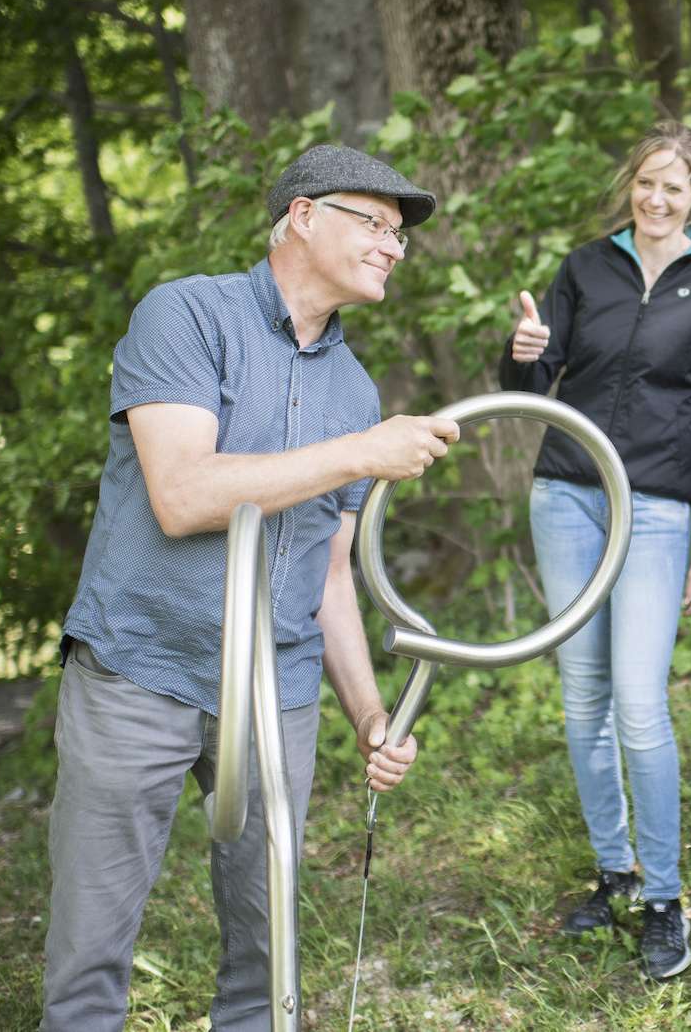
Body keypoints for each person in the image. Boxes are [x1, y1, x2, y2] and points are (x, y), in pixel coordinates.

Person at [45, 145, 455, 1031]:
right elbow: (184, 494)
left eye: (399, 237)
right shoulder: (186, 314)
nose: (394, 247)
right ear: (303, 215)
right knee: (89, 956)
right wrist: (359, 452)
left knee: (268, 965)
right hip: (141, 672)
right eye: (375, 224)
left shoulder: (353, 386)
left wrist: (370, 714)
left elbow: (330, 573)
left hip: (278, 694)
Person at [498, 120, 691, 981]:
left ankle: (665, 896)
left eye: (673, 187)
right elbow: (532, 385)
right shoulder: (584, 268)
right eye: (646, 182)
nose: (656, 199)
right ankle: (614, 870)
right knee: (583, 694)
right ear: (630, 184)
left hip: (657, 511)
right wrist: (523, 350)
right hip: (567, 494)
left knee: (641, 702)